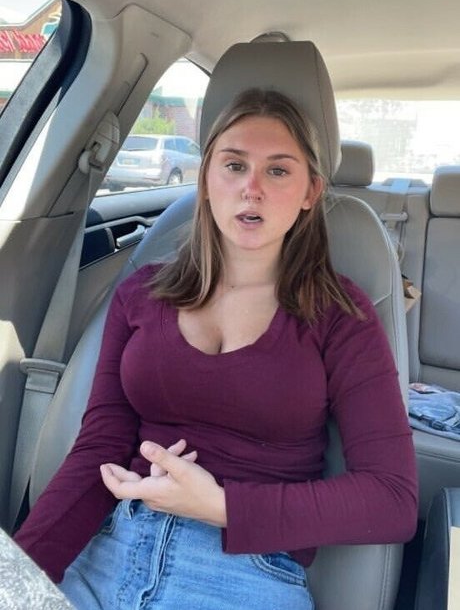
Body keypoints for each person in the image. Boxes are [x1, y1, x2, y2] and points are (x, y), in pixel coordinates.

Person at [14, 88, 418, 610]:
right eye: (234, 165)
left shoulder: (339, 314)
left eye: (278, 170)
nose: (252, 188)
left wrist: (223, 506)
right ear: (206, 178)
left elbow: (391, 498)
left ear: (310, 192)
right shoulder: (141, 293)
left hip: (246, 575)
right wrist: (19, 576)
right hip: (110, 546)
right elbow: (99, 449)